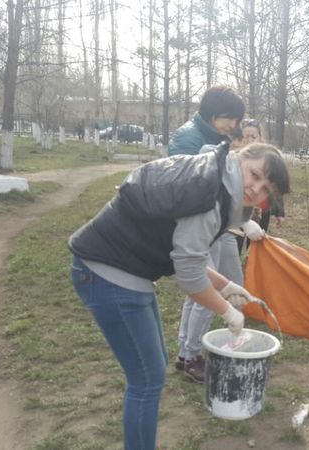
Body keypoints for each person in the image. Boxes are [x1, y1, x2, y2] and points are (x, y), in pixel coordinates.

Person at [68, 141, 290, 450]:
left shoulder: (219, 180)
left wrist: (225, 285)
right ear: (241, 156)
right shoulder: (210, 194)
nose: (256, 189)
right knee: (146, 380)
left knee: (153, 368)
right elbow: (188, 274)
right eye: (255, 175)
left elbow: (187, 256)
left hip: (127, 269)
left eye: (266, 188)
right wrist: (227, 311)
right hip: (108, 272)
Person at [166, 87, 265, 382]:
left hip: (218, 228)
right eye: (230, 119)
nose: (233, 126)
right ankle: (191, 354)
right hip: (198, 229)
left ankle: (189, 350)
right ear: (213, 114)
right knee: (204, 293)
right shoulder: (189, 139)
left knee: (219, 286)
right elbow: (191, 190)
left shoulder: (215, 137)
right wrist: (242, 222)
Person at [232, 119, 286, 254]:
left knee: (256, 244)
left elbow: (275, 189)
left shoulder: (269, 159)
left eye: (253, 137)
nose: (249, 140)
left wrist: (279, 212)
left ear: (260, 138)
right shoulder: (233, 162)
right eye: (246, 136)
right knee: (235, 241)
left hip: (262, 211)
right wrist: (244, 222)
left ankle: (252, 262)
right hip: (238, 210)